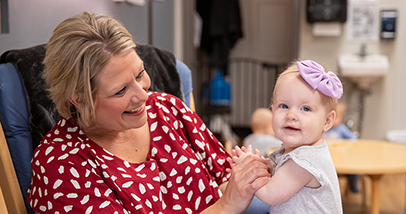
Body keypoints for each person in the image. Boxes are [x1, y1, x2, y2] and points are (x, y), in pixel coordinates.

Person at [27, 12, 272, 214]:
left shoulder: (168, 109)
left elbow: (225, 176)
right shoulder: (60, 165)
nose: (144, 95)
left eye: (140, 73)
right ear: (78, 98)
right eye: (121, 90)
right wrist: (226, 206)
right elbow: (228, 200)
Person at [230, 60, 343, 213]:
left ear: (327, 121)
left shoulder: (303, 161)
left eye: (305, 108)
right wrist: (266, 167)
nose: (291, 115)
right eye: (284, 106)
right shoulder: (303, 151)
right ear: (272, 110)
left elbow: (270, 194)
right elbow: (283, 178)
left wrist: (248, 171)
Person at [324, 102, 360, 193]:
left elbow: (353, 139)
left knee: (355, 169)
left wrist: (345, 145)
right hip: (326, 160)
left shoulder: (341, 128)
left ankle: (353, 186)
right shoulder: (323, 128)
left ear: (341, 118)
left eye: (336, 117)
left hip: (341, 158)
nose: (333, 120)